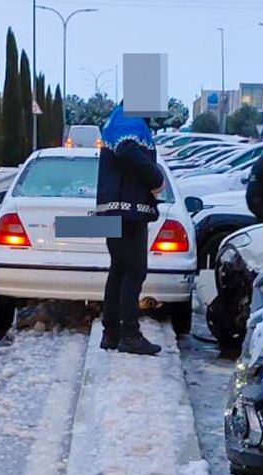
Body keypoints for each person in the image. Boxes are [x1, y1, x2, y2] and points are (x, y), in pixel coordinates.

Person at [95, 103, 166, 355]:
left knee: (118, 270)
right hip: (128, 210)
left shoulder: (118, 117)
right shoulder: (131, 118)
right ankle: (129, 335)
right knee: (134, 271)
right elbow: (126, 150)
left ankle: (112, 333)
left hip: (115, 208)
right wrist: (156, 178)